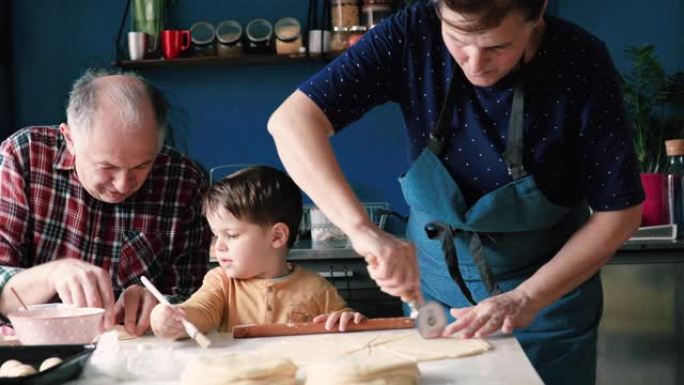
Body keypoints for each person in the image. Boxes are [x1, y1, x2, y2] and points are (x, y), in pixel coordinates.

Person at [267, 1, 644, 383]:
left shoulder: (581, 61)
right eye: (458, 39)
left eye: (498, 47)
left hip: (543, 306)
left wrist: (526, 298)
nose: (475, 64)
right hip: (433, 301)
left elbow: (620, 213)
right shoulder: (413, 31)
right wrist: (364, 233)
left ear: (537, 17)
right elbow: (291, 122)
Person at [0, 69, 212, 336]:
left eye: (142, 165)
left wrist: (160, 304)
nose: (124, 184)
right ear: (70, 139)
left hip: (135, 352)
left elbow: (195, 299)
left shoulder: (184, 181)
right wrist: (53, 275)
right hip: (32, 351)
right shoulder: (24, 158)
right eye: (107, 166)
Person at [150, 165, 366, 339]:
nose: (219, 246)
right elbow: (200, 310)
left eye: (232, 235)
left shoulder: (318, 289)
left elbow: (347, 325)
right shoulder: (221, 283)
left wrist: (347, 320)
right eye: (216, 234)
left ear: (277, 237)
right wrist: (177, 318)